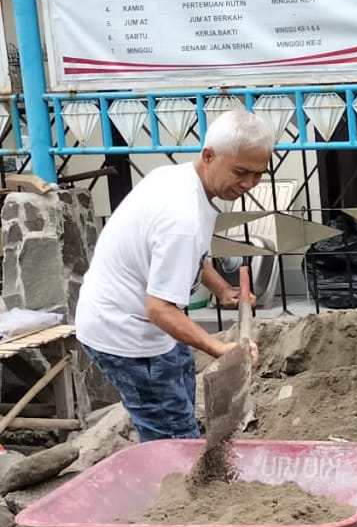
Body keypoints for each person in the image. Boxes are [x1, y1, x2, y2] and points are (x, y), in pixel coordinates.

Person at [76, 110, 275, 443]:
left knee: (179, 383)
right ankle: (173, 476)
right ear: (208, 155)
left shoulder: (182, 180)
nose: (248, 184)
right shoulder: (180, 217)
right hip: (127, 334)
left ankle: (181, 438)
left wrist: (223, 290)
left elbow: (193, 256)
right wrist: (220, 348)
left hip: (142, 322)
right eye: (241, 172)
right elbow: (160, 310)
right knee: (170, 437)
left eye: (258, 175)